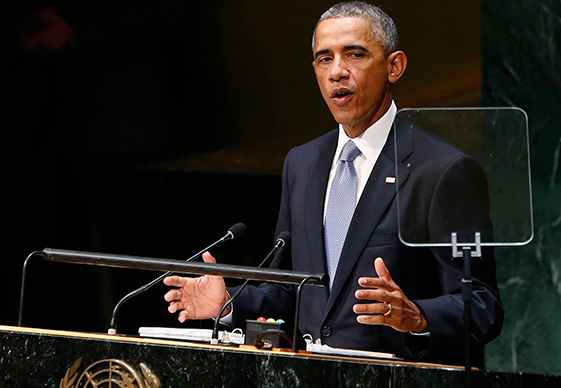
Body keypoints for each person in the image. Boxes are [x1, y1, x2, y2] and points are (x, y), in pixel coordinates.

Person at [163, 1, 503, 366]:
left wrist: (416, 316)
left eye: (354, 55)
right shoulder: (302, 163)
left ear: (394, 66)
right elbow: (291, 289)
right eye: (324, 59)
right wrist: (230, 302)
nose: (337, 72)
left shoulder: (442, 170)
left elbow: (482, 307)